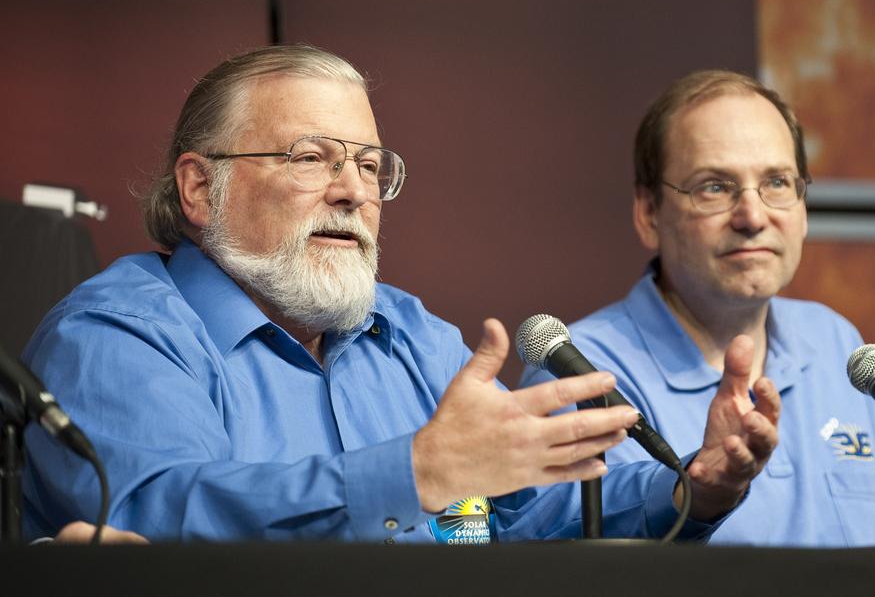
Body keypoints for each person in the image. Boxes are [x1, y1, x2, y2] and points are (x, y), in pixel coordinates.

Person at [20, 44, 779, 543]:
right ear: (199, 186)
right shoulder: (115, 334)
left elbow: (524, 512)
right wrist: (414, 474)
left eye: (371, 165)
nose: (353, 191)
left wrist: (692, 489)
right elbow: (160, 514)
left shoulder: (409, 332)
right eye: (311, 157)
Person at [522, 70, 875, 547]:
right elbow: (558, 565)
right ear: (649, 213)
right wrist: (692, 496)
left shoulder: (837, 344)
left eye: (777, 182)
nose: (753, 217)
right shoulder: (579, 373)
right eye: (714, 187)